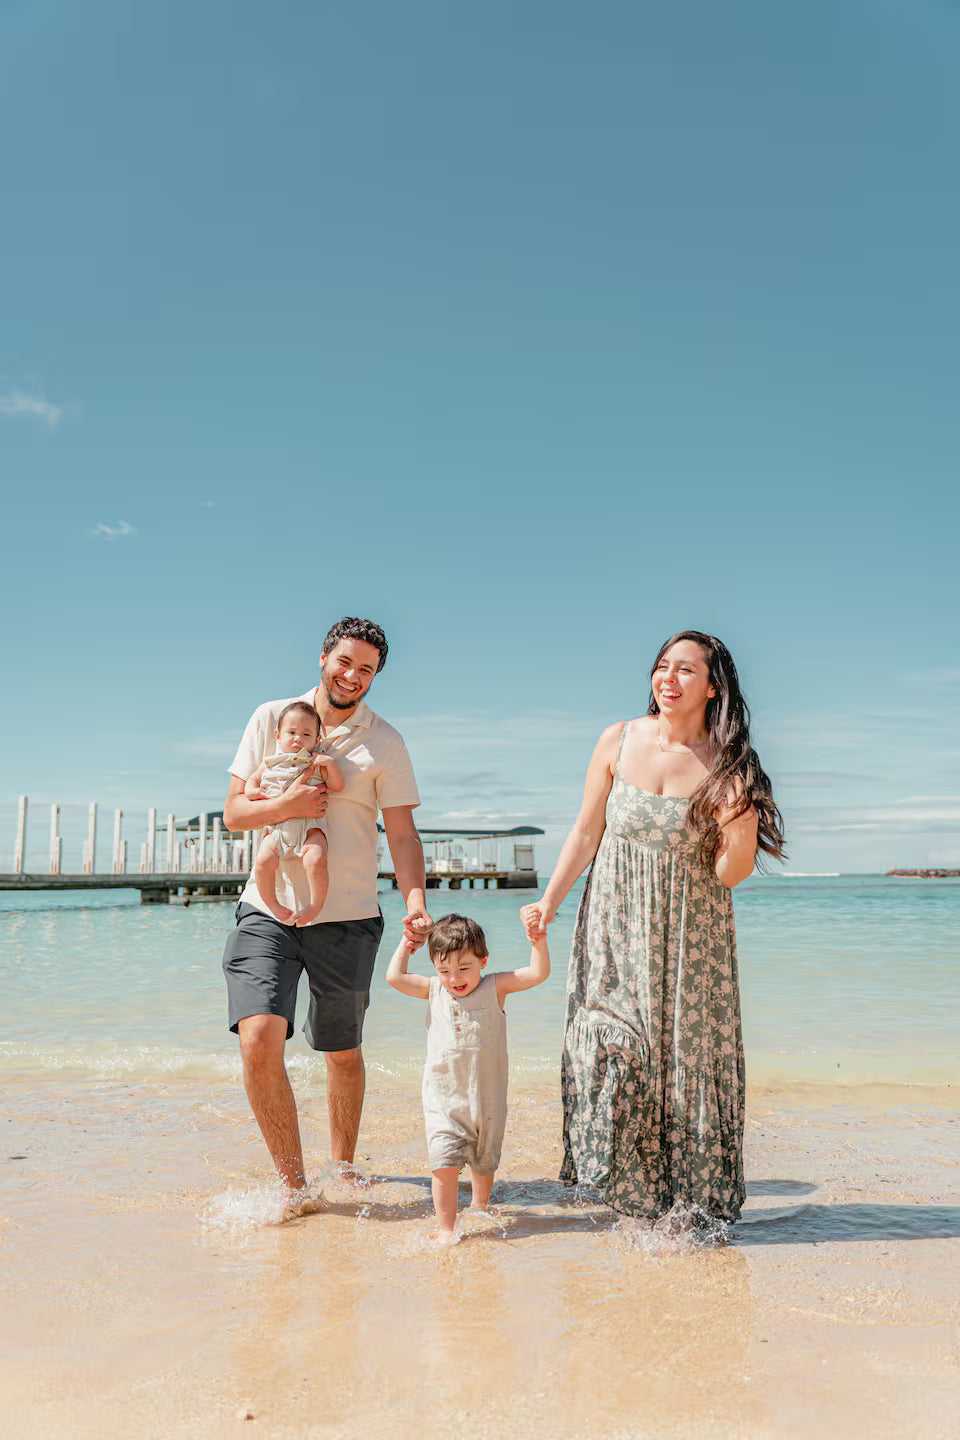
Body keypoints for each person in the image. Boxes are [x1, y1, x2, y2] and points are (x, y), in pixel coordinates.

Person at [521, 631, 784, 1227]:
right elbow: (586, 831)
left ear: (713, 687)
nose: (668, 678)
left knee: (684, 1063)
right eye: (663, 666)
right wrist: (549, 901)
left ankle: (682, 1214)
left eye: (686, 669)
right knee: (612, 1051)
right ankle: (632, 1200)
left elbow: (730, 873)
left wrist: (741, 824)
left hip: (691, 935)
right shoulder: (618, 738)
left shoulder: (729, 765)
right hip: (613, 926)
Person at [221, 617, 432, 1203]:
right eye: (344, 662)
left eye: (366, 669)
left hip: (349, 915)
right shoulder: (271, 717)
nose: (352, 676)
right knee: (258, 1036)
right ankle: (294, 1188)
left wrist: (416, 900)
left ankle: (341, 1167)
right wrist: (288, 804)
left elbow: (403, 834)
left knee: (341, 1051)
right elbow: (234, 813)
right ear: (322, 657)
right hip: (267, 910)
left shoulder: (385, 741)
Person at [386, 913, 551, 1243]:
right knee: (443, 1163)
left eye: (464, 968)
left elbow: (537, 973)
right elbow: (395, 977)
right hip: (443, 1101)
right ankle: (446, 1230)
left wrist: (538, 940)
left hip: (486, 1100)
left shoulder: (494, 987)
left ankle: (479, 1207)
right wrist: (408, 942)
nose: (454, 978)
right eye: (444, 970)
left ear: (483, 961)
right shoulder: (433, 990)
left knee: (484, 1161)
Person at [244, 700, 345, 927]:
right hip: (277, 828)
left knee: (316, 859)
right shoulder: (269, 763)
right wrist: (252, 791)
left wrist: (330, 764)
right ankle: (272, 904)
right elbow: (252, 780)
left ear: (316, 740)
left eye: (306, 734)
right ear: (278, 735)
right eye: (291, 732)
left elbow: (337, 786)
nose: (298, 738)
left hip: (310, 827)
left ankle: (315, 904)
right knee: (262, 862)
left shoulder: (316, 762)